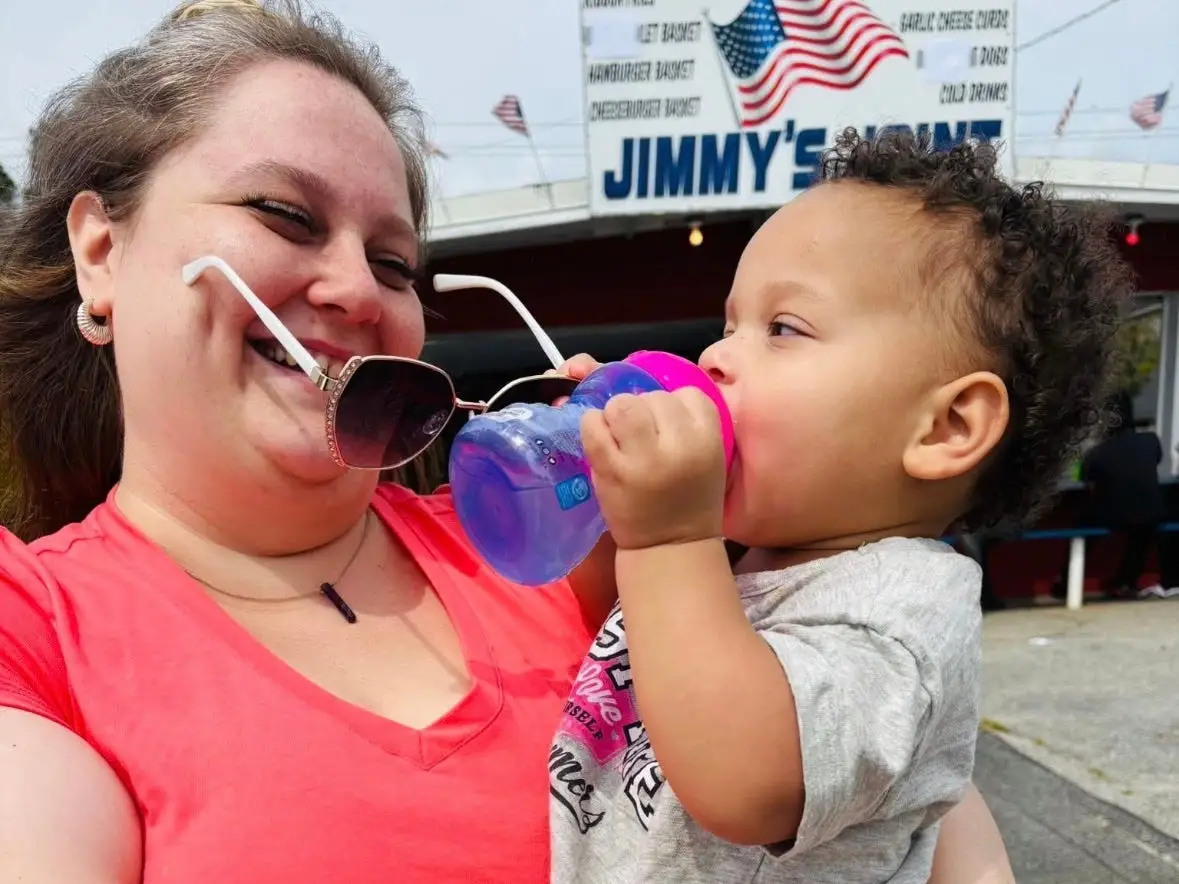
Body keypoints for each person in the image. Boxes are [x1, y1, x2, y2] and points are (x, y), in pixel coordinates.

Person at [0, 1, 1016, 882]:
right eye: (283, 214)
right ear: (101, 250)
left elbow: (897, 773)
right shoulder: (34, 629)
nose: (355, 290)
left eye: (393, 264)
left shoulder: (581, 538)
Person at [548, 129, 1131, 882]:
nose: (714, 356)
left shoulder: (901, 615)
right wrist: (606, 505)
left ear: (946, 428)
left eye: (782, 329)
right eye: (729, 326)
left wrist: (663, 539)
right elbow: (621, 633)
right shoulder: (734, 557)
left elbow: (743, 782)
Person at [1061, 390, 1179, 599]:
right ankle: (1129, 580)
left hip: (1114, 515)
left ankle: (1065, 582)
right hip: (1151, 514)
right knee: (1145, 528)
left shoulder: (1097, 453)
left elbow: (1090, 487)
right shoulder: (1150, 440)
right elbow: (1153, 463)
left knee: (1082, 525)